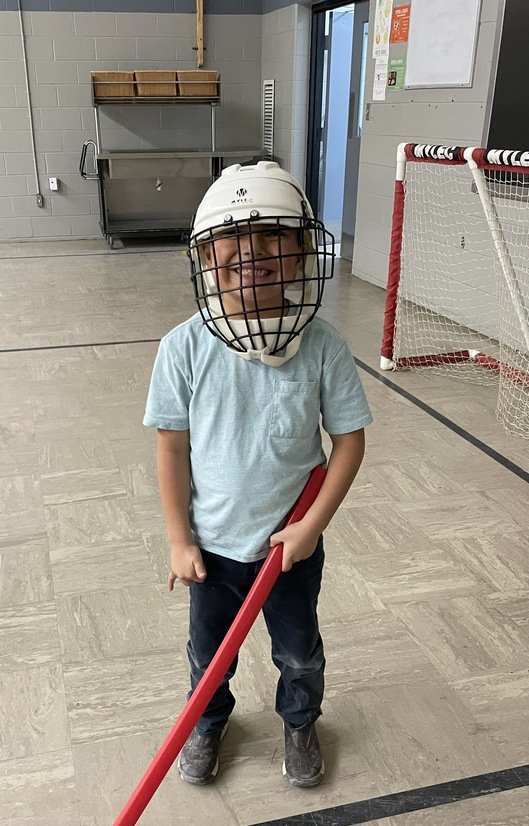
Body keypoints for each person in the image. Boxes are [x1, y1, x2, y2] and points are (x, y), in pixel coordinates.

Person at [143, 161, 372, 789]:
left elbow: (348, 443)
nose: (254, 252)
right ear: (205, 257)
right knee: (209, 655)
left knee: (298, 651)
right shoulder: (182, 348)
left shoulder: (323, 346)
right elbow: (171, 450)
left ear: (302, 252)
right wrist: (179, 539)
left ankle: (300, 721)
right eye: (232, 239)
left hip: (289, 550)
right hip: (212, 549)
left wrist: (310, 528)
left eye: (274, 234)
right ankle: (208, 719)